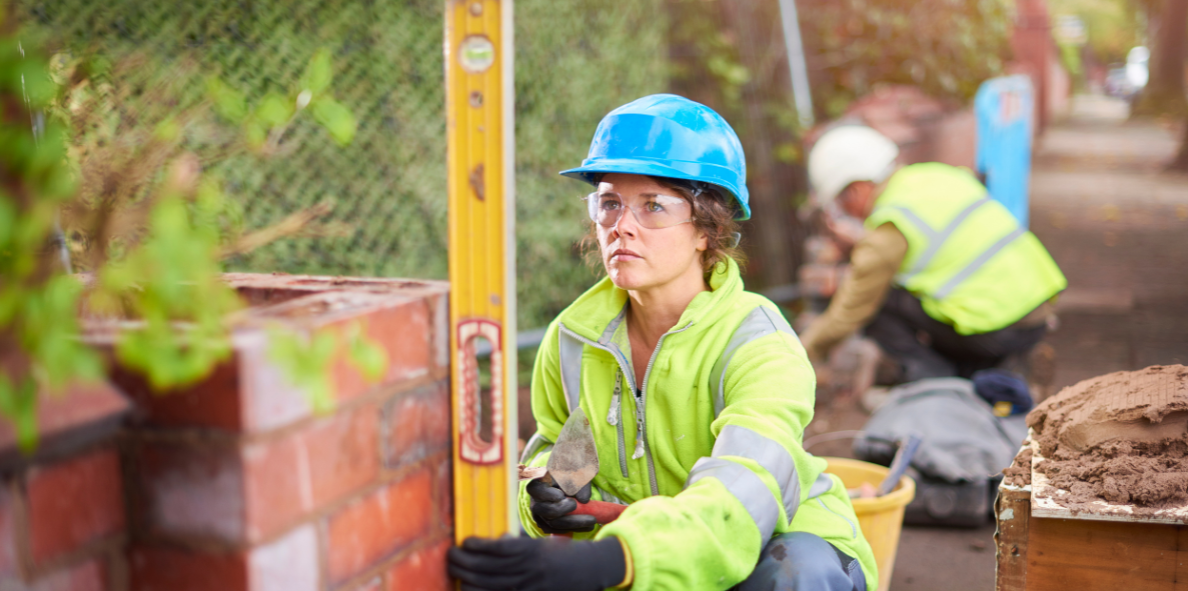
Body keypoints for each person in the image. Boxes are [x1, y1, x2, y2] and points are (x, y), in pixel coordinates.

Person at [447, 95, 876, 591]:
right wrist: (546, 493)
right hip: (649, 566)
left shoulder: (759, 341)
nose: (621, 227)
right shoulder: (572, 337)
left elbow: (744, 491)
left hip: (770, 556)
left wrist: (613, 560)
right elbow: (558, 448)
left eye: (653, 206)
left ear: (706, 229)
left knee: (798, 570)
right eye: (609, 203)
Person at [799, 125, 1066, 383]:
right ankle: (991, 368)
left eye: (840, 203)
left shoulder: (888, 229)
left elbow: (849, 313)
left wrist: (800, 354)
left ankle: (940, 383)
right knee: (924, 296)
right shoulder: (934, 176)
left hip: (996, 326)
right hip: (1036, 310)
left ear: (855, 190)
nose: (845, 212)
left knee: (880, 303)